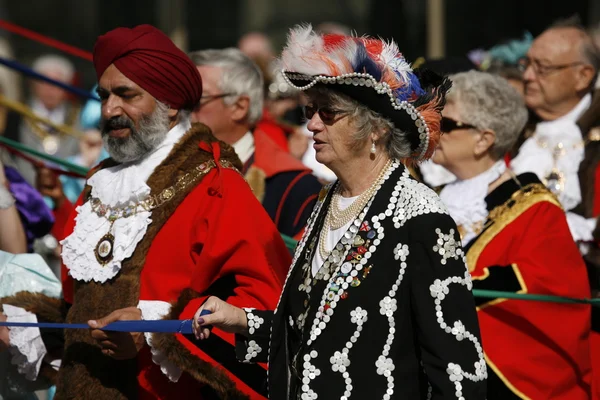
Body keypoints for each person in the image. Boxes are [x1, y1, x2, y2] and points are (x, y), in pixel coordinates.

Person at [192, 25, 487, 399]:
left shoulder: (421, 216)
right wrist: (241, 319)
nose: (312, 124)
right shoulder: (328, 200)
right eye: (309, 111)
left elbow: (457, 370)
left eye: (328, 113)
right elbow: (315, 332)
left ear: (375, 128)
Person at [0, 24, 292, 400]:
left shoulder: (217, 184)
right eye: (103, 95)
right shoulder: (99, 181)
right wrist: (28, 327)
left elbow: (265, 303)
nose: (109, 109)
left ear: (170, 103)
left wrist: (156, 328)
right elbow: (79, 306)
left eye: (126, 95)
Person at [432, 70, 593, 399]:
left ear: (484, 139)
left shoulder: (533, 206)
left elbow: (545, 282)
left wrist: (452, 287)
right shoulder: (430, 196)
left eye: (446, 124)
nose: (433, 131)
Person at [189, 48, 322, 239]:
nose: (184, 110)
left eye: (197, 100)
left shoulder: (294, 188)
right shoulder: (166, 169)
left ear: (239, 107)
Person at [10, 55, 81, 186]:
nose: (51, 88)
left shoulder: (81, 117)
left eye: (57, 82)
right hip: (23, 193)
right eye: (44, 81)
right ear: (34, 84)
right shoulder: (16, 114)